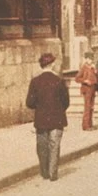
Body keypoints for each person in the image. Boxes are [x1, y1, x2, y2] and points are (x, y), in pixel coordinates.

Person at [25, 52, 68, 182]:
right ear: (52, 64)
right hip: (57, 119)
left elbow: (29, 103)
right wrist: (58, 110)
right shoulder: (59, 81)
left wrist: (40, 108)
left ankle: (44, 172)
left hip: (41, 119)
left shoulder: (35, 82)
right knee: (54, 146)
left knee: (42, 146)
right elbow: (66, 101)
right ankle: (53, 173)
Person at [74, 52, 98, 131]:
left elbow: (96, 77)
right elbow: (77, 78)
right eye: (88, 59)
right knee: (87, 107)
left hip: (93, 88)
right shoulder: (84, 67)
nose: (90, 61)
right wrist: (85, 80)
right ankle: (85, 125)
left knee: (91, 107)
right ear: (86, 59)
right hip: (86, 89)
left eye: (91, 59)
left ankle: (90, 124)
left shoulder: (92, 67)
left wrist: (95, 71)